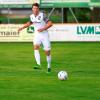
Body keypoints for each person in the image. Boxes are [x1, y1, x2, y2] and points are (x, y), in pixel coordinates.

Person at [18, 3, 53, 72]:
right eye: (34, 8)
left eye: (36, 8)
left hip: (44, 34)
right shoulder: (31, 16)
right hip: (37, 34)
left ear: (38, 9)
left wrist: (43, 29)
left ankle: (49, 66)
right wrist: (22, 28)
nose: (35, 10)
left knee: (47, 52)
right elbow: (29, 23)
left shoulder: (43, 15)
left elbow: (50, 23)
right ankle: (39, 65)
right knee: (35, 47)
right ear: (32, 9)